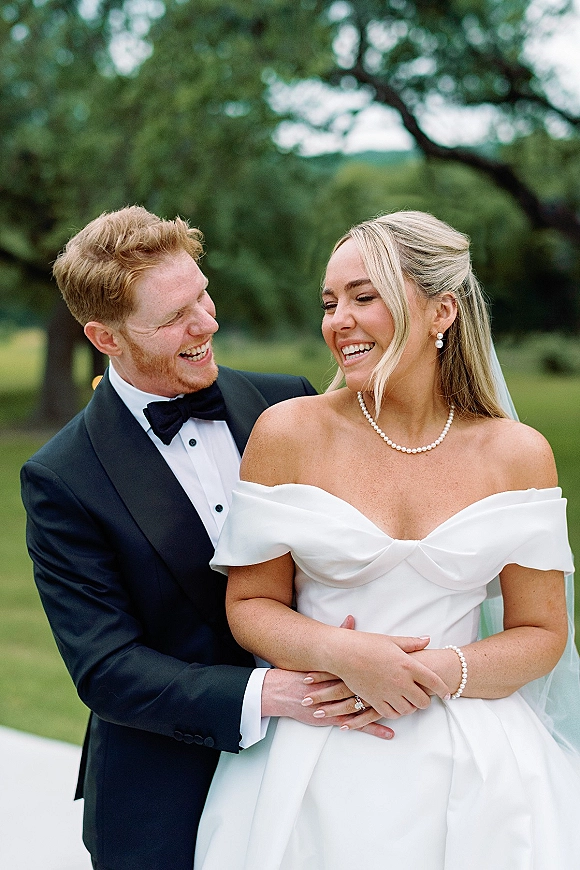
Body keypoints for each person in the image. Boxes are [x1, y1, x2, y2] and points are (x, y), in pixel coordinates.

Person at [20, 206, 441, 870]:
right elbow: (107, 668)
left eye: (203, 295)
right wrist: (275, 695)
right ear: (105, 337)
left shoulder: (290, 405)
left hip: (333, 771)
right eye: (174, 318)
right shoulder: (62, 478)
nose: (208, 323)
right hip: (165, 794)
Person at [195, 210, 580, 869]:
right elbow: (249, 605)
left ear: (442, 312)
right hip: (316, 755)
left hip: (480, 767)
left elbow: (544, 633)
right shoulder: (288, 434)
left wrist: (426, 673)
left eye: (363, 297)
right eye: (329, 301)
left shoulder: (517, 455)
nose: (337, 319)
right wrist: (343, 653)